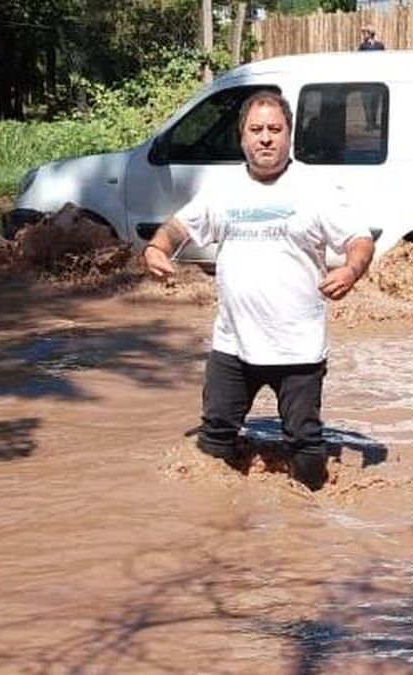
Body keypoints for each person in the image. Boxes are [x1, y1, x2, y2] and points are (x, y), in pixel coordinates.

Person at [143, 90, 376, 491]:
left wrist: (352, 270)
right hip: (233, 346)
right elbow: (180, 227)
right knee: (214, 441)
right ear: (242, 138)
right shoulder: (223, 188)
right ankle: (219, 522)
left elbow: (360, 239)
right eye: (256, 130)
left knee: (304, 445)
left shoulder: (315, 188)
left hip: (297, 349)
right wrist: (156, 246)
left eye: (274, 129)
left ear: (289, 136)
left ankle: (309, 524)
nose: (265, 138)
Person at [357, 25, 386, 130]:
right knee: (366, 102)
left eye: (365, 32)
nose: (364, 35)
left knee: (375, 101)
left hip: (376, 77)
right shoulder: (362, 47)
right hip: (365, 78)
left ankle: (373, 122)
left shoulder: (380, 46)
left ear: (370, 34)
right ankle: (369, 123)